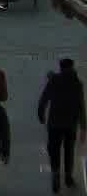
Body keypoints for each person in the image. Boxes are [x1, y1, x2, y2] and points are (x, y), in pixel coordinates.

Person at [37, 58, 84, 192]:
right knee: (69, 151)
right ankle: (68, 177)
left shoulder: (54, 80)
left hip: (55, 123)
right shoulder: (77, 83)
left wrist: (41, 113)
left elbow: (44, 98)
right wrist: (84, 126)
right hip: (70, 124)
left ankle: (56, 175)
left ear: (61, 67)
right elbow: (81, 106)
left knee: (54, 150)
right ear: (72, 67)